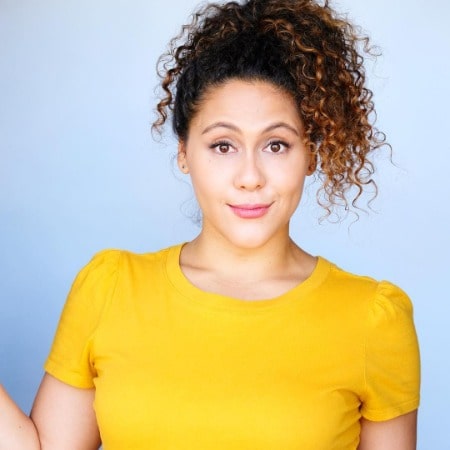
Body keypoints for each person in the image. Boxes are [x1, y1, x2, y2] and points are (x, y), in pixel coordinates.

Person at [0, 0, 420, 448]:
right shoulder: (109, 290)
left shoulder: (374, 319)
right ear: (184, 153)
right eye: (223, 145)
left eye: (276, 145)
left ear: (311, 155)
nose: (250, 177)